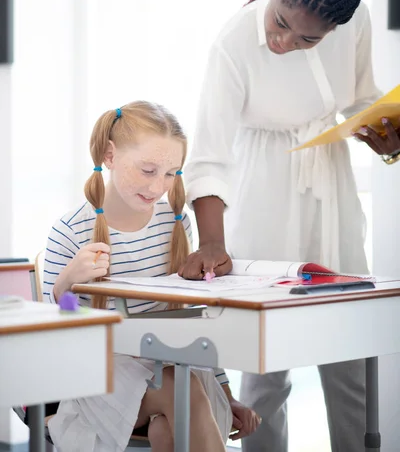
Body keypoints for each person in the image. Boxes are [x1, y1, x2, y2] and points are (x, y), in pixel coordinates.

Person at [181, 0, 400, 452]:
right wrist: (213, 243)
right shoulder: (232, 43)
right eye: (281, 23)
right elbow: (209, 156)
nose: (285, 42)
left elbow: (362, 99)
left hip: (330, 185)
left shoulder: (354, 19)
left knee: (350, 348)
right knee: (268, 367)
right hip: (262, 186)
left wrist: (384, 135)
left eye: (308, 40)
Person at [42, 101, 260, 452]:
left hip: (171, 364)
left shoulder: (173, 223)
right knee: (181, 391)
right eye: (148, 170)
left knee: (171, 428)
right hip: (100, 373)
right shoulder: (71, 231)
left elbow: (193, 325)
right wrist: (65, 283)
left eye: (172, 173)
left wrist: (226, 394)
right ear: (109, 156)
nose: (160, 187)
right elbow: (49, 338)